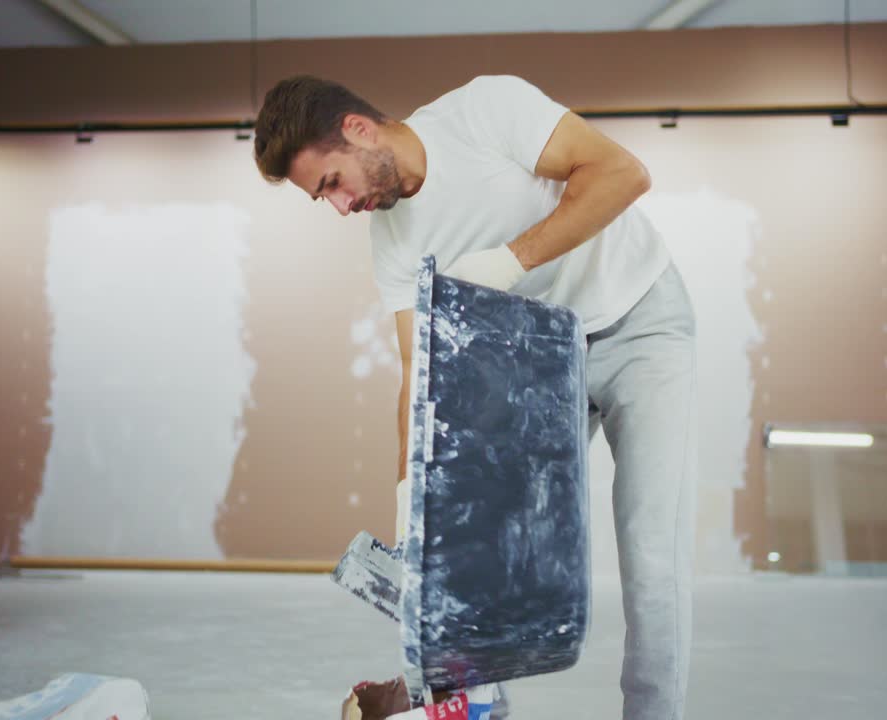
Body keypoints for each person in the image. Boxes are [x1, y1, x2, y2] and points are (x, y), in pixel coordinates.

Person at [253, 74, 698, 720]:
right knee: (478, 546)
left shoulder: (485, 112)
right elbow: (418, 371)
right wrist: (413, 501)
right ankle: (448, 703)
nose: (341, 207)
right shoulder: (393, 243)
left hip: (642, 320)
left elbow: (623, 174)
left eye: (331, 183)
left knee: (652, 555)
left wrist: (510, 261)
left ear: (357, 130)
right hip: (544, 359)